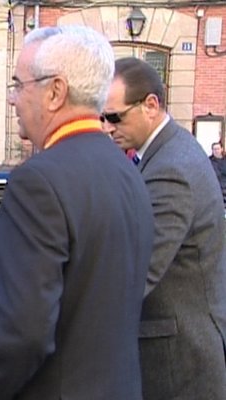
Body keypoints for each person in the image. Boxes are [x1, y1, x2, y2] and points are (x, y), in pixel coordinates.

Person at [0, 26, 154, 400]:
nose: (12, 99)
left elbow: (21, 338)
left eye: (19, 85)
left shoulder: (37, 181)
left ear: (55, 92)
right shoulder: (126, 170)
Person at [102, 57, 226, 400]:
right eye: (103, 117)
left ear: (151, 105)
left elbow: (135, 274)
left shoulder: (171, 169)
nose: (108, 127)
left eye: (115, 117)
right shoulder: (167, 151)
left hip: (179, 362)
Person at [209, 141, 226, 207]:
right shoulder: (209, 161)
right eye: (214, 149)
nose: (216, 151)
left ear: (221, 149)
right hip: (216, 189)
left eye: (218, 149)